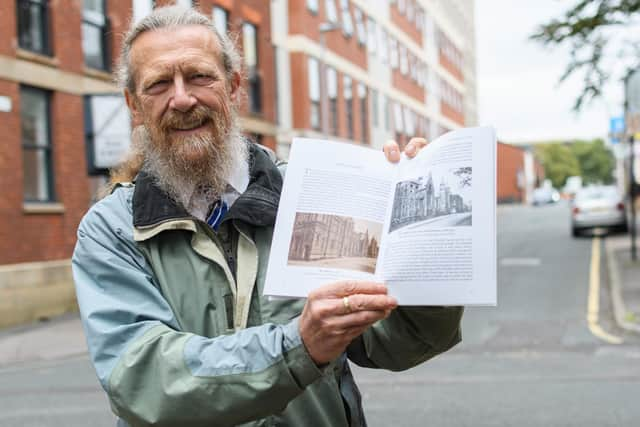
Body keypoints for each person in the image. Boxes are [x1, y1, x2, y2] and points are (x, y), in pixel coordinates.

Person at [72, 6, 463, 427]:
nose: (182, 98)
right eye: (159, 84)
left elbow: (398, 343)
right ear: (134, 104)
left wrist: (422, 238)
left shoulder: (314, 194)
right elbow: (142, 380)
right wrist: (298, 345)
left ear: (235, 86)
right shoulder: (112, 229)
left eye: (200, 76)